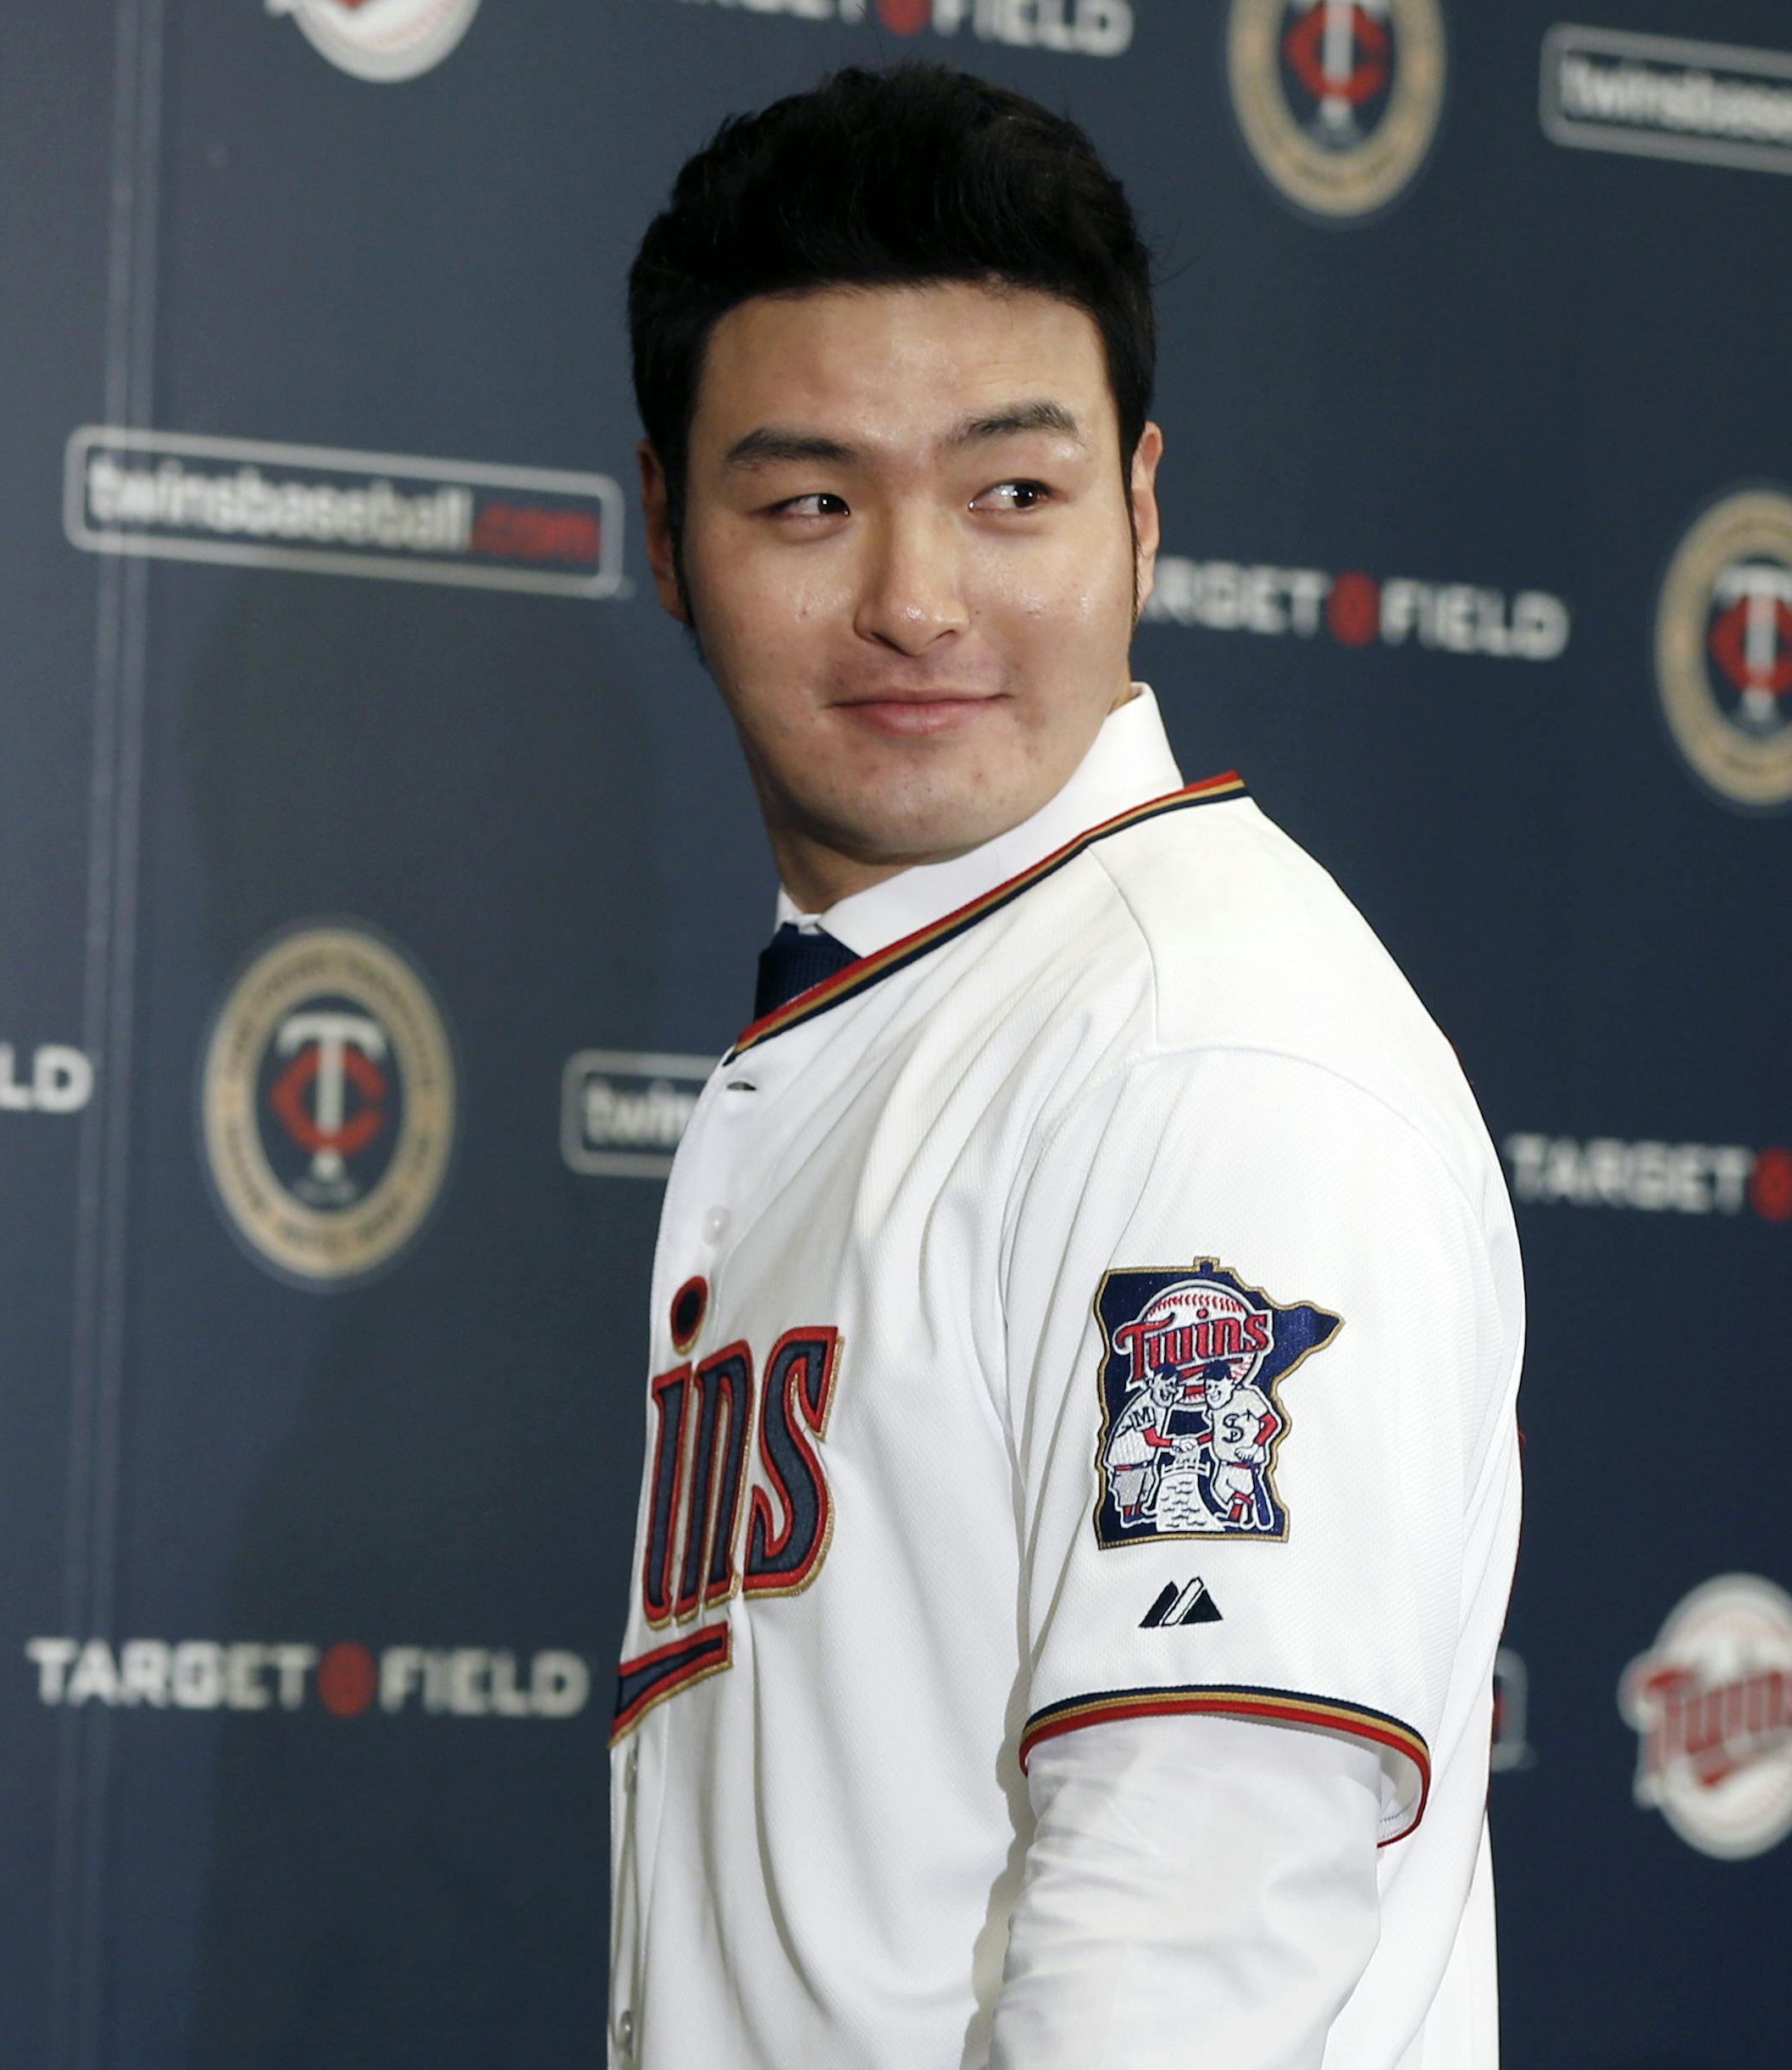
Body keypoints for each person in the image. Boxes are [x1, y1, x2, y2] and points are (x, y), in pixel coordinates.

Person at [609, 62, 1523, 2070]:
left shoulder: (1198, 1047)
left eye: (1009, 492)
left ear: (1142, 508)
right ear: (668, 536)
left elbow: (1192, 1912)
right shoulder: (935, 1000)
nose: (917, 597)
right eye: (810, 500)